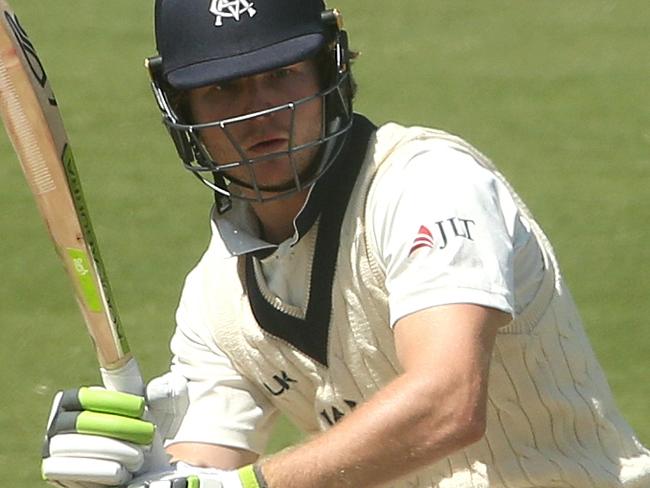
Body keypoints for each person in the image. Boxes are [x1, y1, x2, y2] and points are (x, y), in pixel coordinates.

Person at [41, 0, 650, 487]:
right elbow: (202, 466)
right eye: (224, 90)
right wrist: (131, 472)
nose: (260, 114)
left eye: (280, 75)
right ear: (182, 107)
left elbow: (448, 399)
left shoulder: (426, 184)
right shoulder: (213, 299)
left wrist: (250, 487)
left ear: (329, 68)